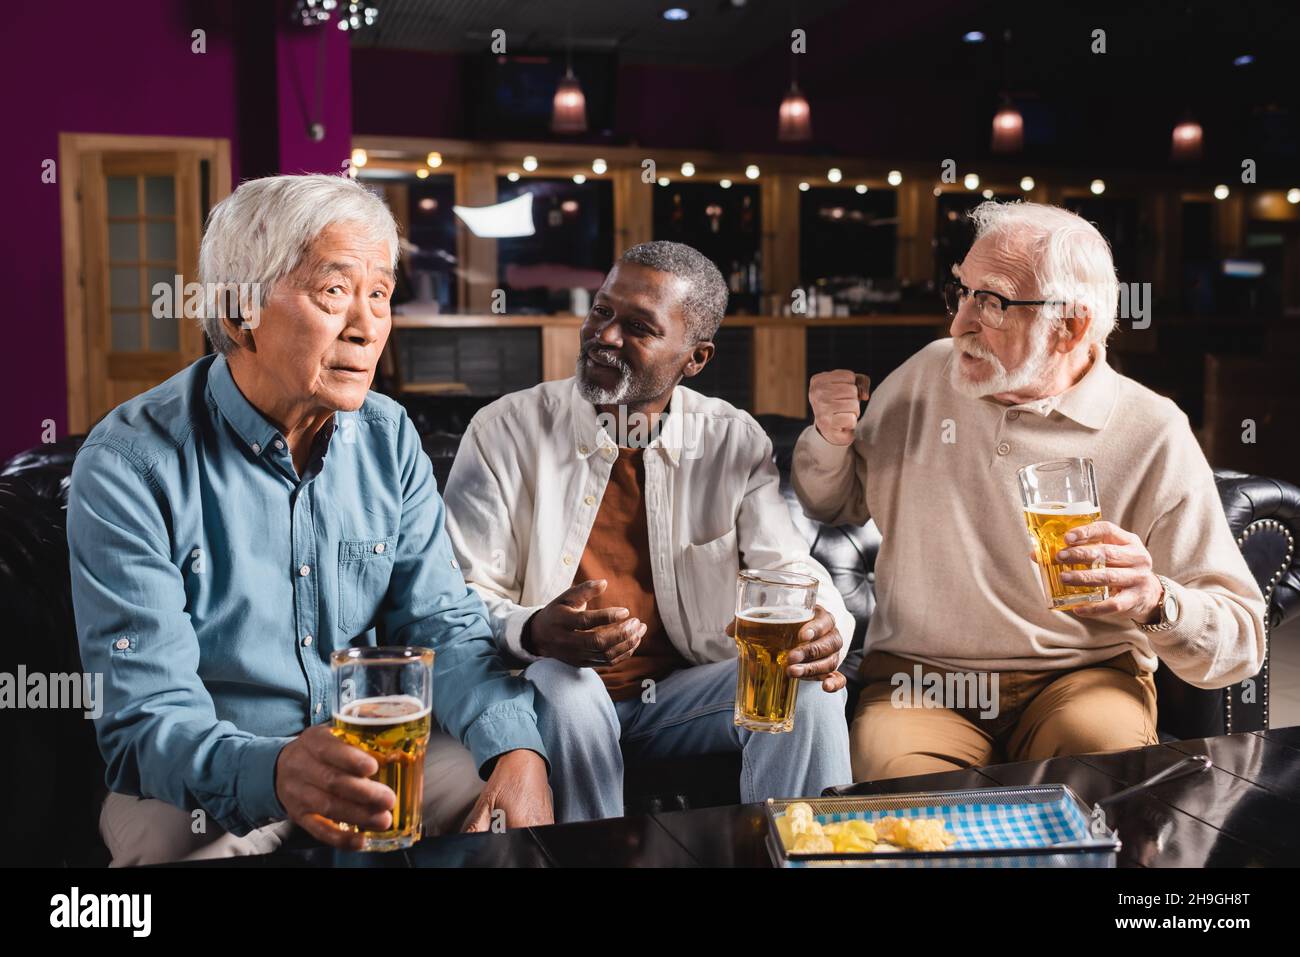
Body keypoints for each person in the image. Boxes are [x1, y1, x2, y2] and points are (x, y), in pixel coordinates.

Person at [67, 174, 552, 865]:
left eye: (379, 294)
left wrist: (517, 747)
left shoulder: (389, 437)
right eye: (334, 292)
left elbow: (443, 624)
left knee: (524, 821)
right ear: (239, 313)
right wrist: (274, 771)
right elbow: (147, 717)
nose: (366, 325)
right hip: (205, 780)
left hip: (371, 755)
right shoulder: (128, 463)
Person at [793, 200, 1266, 782]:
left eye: (990, 303)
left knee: (1098, 775)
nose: (959, 323)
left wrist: (1155, 600)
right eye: (960, 293)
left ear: (1069, 327)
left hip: (1081, 677)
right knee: (907, 805)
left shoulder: (1151, 428)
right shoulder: (925, 376)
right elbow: (832, 503)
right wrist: (828, 440)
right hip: (921, 677)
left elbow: (1241, 645)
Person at [442, 241, 855, 821]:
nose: (605, 336)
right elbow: (455, 597)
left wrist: (824, 626)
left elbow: (787, 570)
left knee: (801, 690)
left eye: (638, 327)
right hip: (556, 697)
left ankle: (801, 859)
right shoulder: (505, 430)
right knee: (568, 684)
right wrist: (534, 630)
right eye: (602, 311)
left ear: (696, 358)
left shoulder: (732, 440)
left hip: (682, 699)